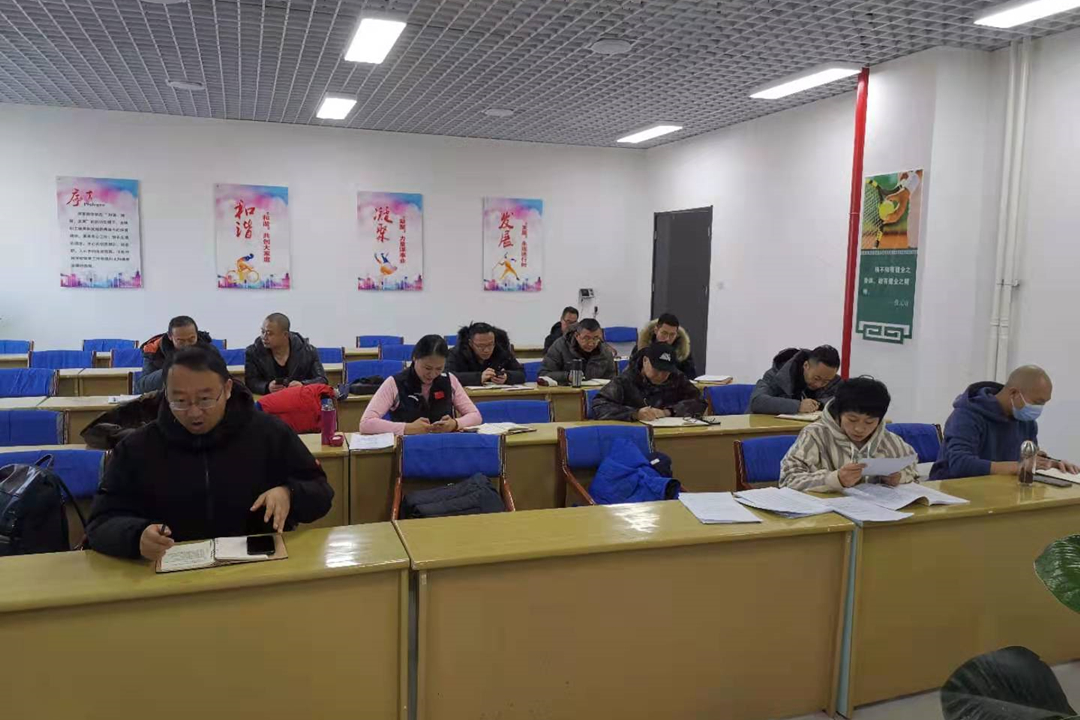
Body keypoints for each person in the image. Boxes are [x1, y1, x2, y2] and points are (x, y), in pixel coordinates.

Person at [86, 345, 334, 562]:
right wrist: (136, 536)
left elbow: (321, 492)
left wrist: (289, 493)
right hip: (169, 577)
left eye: (205, 399)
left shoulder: (270, 433)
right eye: (180, 401)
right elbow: (101, 522)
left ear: (227, 389)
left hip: (257, 572)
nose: (194, 412)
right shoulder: (138, 447)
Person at [930, 365, 1080, 480]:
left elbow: (1028, 459)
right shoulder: (966, 415)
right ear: (1014, 393)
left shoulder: (1027, 422)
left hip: (999, 490)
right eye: (1037, 402)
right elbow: (960, 464)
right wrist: (1018, 467)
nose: (1038, 408)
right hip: (953, 492)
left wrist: (1052, 464)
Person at [780, 376, 919, 492]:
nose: (859, 429)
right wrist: (834, 479)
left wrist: (899, 477)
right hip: (826, 513)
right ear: (839, 414)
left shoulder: (888, 440)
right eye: (852, 419)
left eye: (869, 422)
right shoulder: (815, 435)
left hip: (876, 510)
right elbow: (788, 479)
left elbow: (912, 469)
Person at [360, 335, 482, 436]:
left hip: (444, 445)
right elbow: (366, 424)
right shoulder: (395, 383)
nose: (432, 374)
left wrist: (455, 424)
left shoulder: (449, 380)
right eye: (427, 368)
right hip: (408, 446)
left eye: (439, 368)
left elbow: (475, 416)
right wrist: (407, 428)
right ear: (415, 358)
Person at [592, 343, 706, 422]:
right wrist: (635, 414)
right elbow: (599, 405)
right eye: (657, 369)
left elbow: (699, 401)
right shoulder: (626, 380)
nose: (661, 375)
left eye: (666, 371)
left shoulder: (676, 377)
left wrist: (668, 412)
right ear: (645, 360)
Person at [134, 315, 223, 393]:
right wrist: (170, 371)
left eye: (191, 339)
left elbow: (223, 378)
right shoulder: (155, 351)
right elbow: (142, 386)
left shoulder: (208, 349)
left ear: (197, 335)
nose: (187, 345)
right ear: (170, 337)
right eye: (181, 341)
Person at [244, 313, 327, 395]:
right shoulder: (253, 352)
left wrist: (303, 385)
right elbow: (250, 382)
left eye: (269, 333)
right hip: (270, 399)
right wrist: (267, 387)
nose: (264, 337)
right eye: (262, 331)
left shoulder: (307, 351)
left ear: (285, 335)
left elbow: (322, 379)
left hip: (299, 397)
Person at [749, 345, 841, 415]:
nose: (819, 384)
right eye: (816, 378)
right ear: (806, 366)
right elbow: (757, 402)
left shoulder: (830, 378)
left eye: (826, 381)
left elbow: (841, 401)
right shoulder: (776, 374)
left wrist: (820, 404)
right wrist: (798, 406)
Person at [540, 318, 618, 385]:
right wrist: (567, 376)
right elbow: (543, 374)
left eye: (596, 338)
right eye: (586, 338)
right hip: (566, 393)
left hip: (595, 394)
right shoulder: (560, 346)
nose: (591, 343)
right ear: (576, 336)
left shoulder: (605, 352)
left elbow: (611, 379)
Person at [446, 322, 526, 386]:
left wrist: (507, 377)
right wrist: (478, 378)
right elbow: (447, 376)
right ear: (470, 343)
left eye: (490, 344)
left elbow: (521, 373)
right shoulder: (456, 353)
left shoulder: (501, 350)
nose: (487, 350)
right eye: (481, 346)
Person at [631, 313, 698, 379]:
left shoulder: (682, 352)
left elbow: (691, 377)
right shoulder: (641, 349)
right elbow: (631, 375)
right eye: (664, 333)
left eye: (672, 335)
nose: (667, 339)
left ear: (677, 335)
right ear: (656, 330)